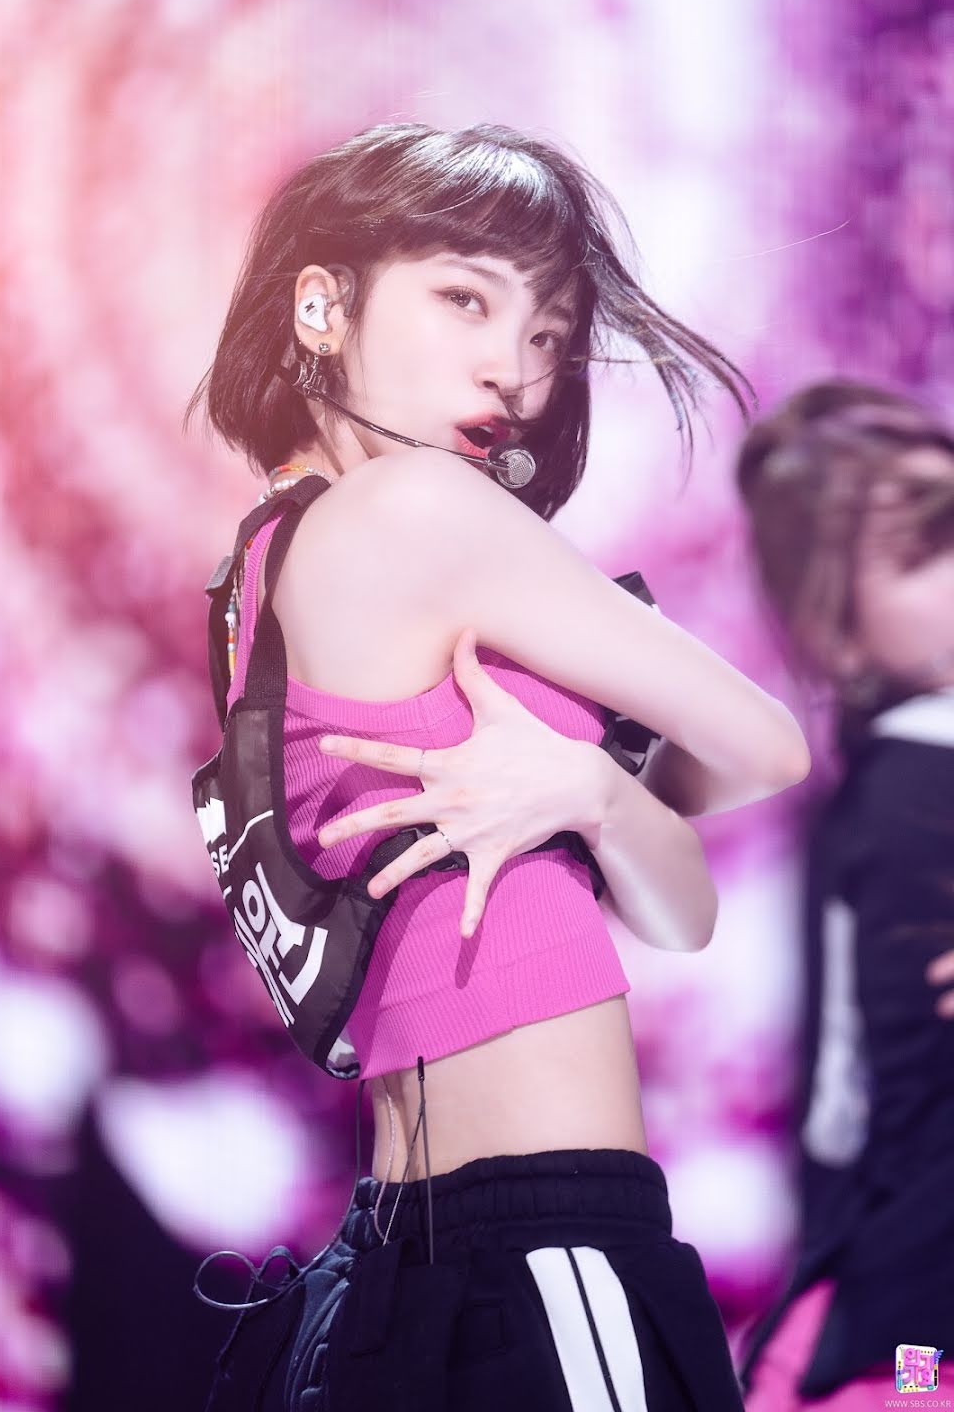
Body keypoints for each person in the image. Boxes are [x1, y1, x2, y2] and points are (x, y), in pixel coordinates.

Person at [186, 122, 810, 1411]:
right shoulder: (420, 511)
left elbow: (677, 911)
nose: (513, 372)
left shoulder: (255, 573)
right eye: (465, 298)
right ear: (322, 304)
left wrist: (591, 793)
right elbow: (768, 744)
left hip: (393, 1261)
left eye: (548, 334)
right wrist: (604, 794)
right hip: (545, 1238)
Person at [734, 380, 954, 1408]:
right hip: (915, 1348)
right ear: (836, 634)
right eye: (930, 545)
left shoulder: (881, 788)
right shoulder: (914, 792)